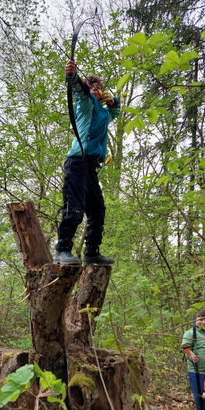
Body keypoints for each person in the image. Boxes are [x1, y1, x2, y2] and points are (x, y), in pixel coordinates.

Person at [53, 59, 120, 266]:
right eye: (92, 86)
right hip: (77, 162)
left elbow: (115, 112)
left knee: (98, 210)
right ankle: (62, 250)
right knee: (75, 207)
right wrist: (71, 76)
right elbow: (78, 89)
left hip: (91, 166)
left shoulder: (103, 113)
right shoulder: (85, 104)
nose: (94, 90)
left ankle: (92, 252)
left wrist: (113, 100)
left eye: (98, 87)